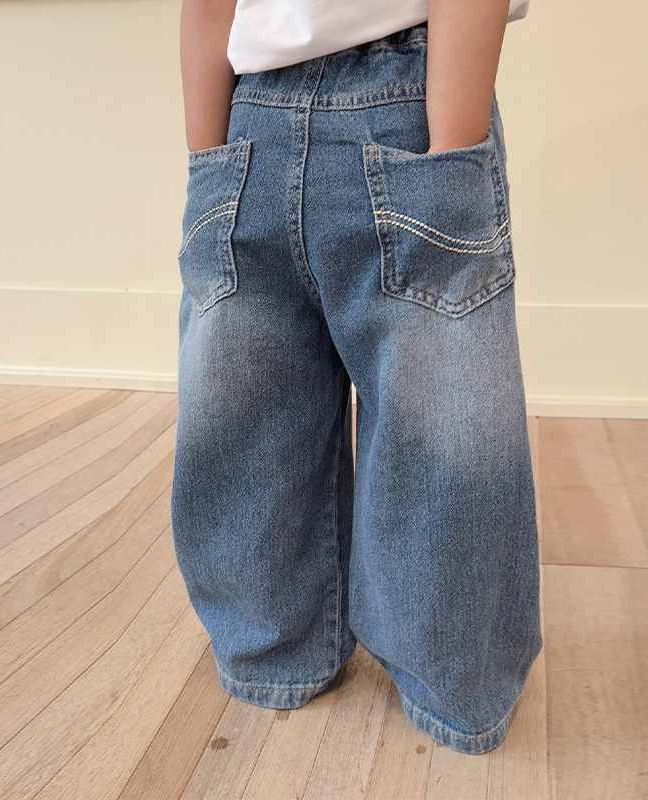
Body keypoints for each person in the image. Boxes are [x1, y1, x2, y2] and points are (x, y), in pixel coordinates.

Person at [170, 0, 543, 756]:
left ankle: (306, 656)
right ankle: (425, 674)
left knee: (285, 423)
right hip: (300, 115)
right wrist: (207, 161)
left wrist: (210, 163)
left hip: (329, 107)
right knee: (277, 419)